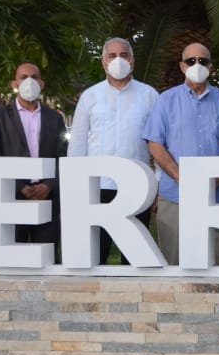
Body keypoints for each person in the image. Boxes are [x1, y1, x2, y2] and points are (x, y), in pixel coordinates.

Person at [144, 41, 219, 265]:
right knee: (175, 261)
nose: (197, 65)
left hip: (216, 196)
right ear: (182, 66)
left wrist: (217, 179)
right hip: (175, 196)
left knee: (216, 262)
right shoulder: (166, 100)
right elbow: (155, 144)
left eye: (203, 61)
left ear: (211, 67)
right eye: (191, 61)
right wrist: (182, 178)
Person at [68, 37, 159, 264]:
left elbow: (159, 144)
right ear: (103, 62)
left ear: (133, 61)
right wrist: (75, 185)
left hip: (138, 185)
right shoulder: (90, 96)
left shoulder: (150, 95)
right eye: (112, 56)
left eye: (124, 55)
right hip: (98, 186)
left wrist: (157, 183)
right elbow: (78, 142)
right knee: (95, 254)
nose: (118, 60)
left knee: (136, 258)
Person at [0, 63, 68, 246]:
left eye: (34, 77)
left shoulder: (55, 118)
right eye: (23, 77)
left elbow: (64, 156)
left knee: (47, 257)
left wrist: (49, 185)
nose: (29, 81)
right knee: (13, 259)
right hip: (11, 198)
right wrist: (19, 186)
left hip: (48, 199)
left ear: (42, 84)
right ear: (14, 84)